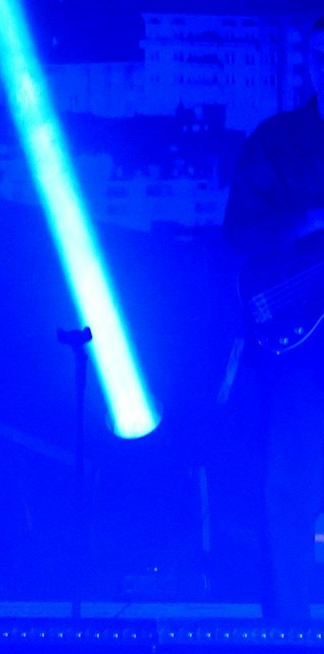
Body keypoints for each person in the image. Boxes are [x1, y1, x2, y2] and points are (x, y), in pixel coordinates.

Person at [225, 17, 324, 622]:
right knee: (288, 488)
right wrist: (313, 219)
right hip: (300, 349)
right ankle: (290, 647)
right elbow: (239, 235)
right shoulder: (278, 142)